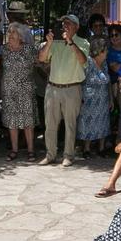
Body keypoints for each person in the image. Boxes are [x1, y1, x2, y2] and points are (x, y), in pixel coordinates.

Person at [40, 11, 91, 165]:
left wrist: (70, 42)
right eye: (63, 23)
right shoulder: (54, 42)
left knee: (70, 124)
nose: (64, 26)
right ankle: (50, 154)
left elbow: (83, 61)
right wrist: (48, 43)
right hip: (53, 88)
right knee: (50, 123)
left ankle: (68, 155)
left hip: (72, 88)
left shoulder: (83, 42)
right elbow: (42, 59)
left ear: (76, 27)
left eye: (68, 23)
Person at [0, 24, 37, 160]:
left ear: (20, 37)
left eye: (13, 34)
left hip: (25, 90)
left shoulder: (29, 49)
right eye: (9, 34)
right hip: (9, 90)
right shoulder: (3, 50)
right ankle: (14, 150)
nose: (10, 37)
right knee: (12, 122)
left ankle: (31, 150)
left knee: (28, 122)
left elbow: (38, 63)